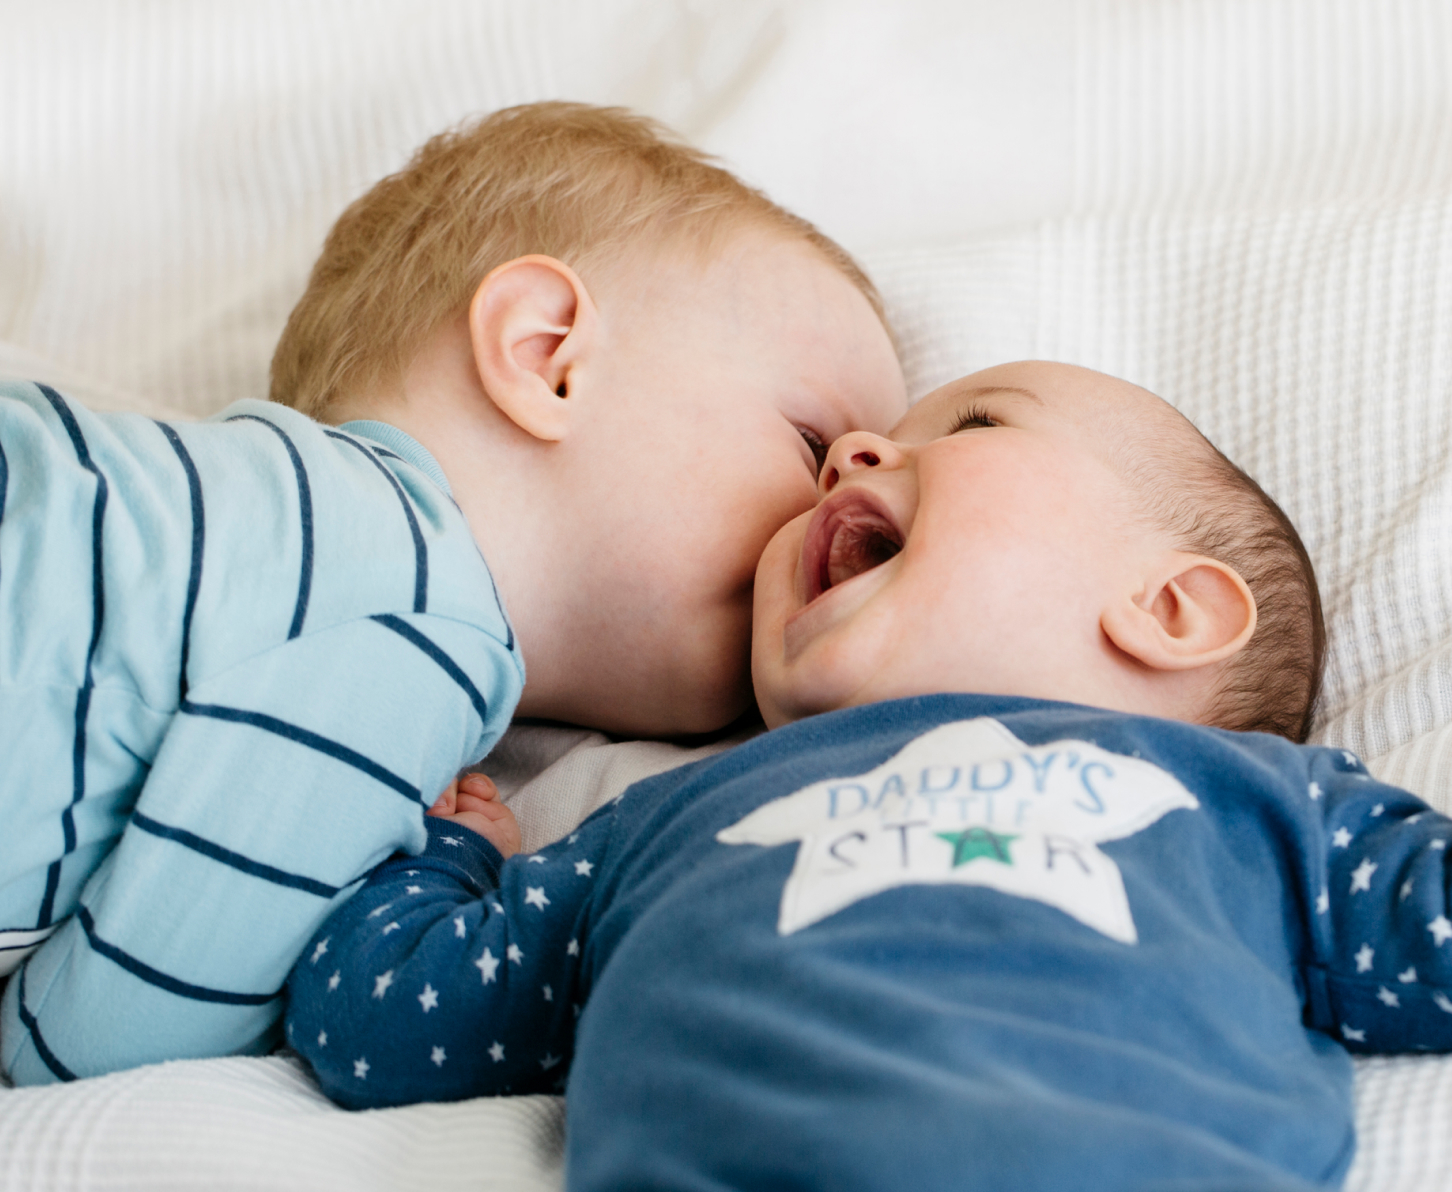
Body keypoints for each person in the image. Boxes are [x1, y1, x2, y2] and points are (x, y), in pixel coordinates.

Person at [286, 360, 1452, 1190]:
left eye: (981, 421)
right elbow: (376, 1020)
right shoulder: (659, 822)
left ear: (1168, 607)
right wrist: (454, 851)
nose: (852, 450)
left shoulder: (1253, 805)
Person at [0, 102, 906, 1086]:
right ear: (545, 354)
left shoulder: (259, 529)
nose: (839, 506)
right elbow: (103, 1038)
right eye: (814, 445)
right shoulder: (423, 615)